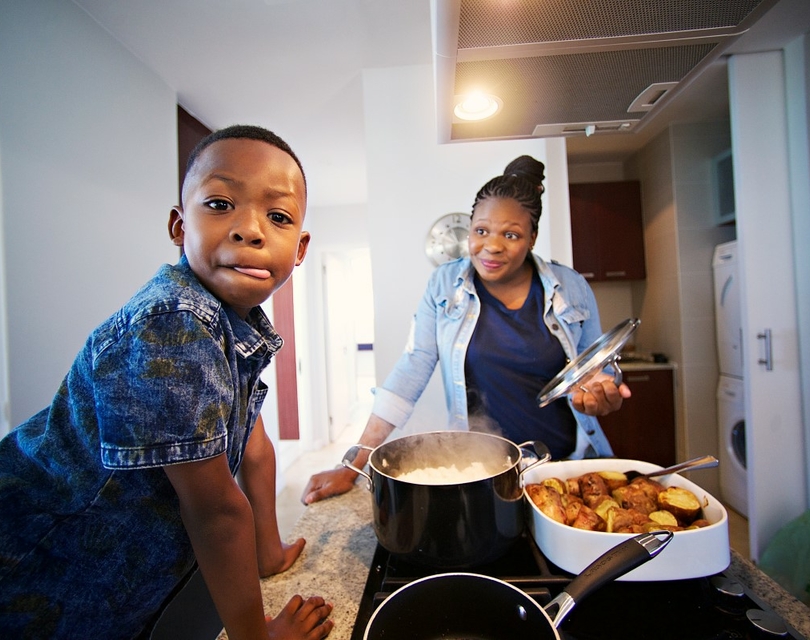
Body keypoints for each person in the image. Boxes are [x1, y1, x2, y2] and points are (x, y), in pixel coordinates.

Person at [0, 125, 334, 639]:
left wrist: (268, 550)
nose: (250, 229)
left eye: (279, 216)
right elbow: (216, 510)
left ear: (300, 247)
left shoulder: (235, 320)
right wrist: (256, 637)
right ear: (179, 227)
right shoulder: (174, 320)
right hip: (39, 557)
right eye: (220, 204)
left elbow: (254, 443)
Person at [302, 171, 630, 505]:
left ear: (533, 238)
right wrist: (353, 465)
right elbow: (409, 372)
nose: (492, 246)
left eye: (511, 234)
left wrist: (603, 392)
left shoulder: (571, 287)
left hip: (566, 469)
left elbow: (595, 371)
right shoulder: (444, 286)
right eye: (481, 230)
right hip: (483, 473)